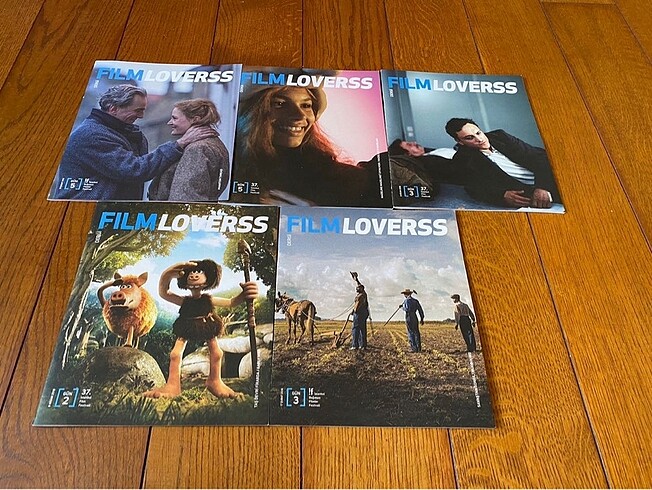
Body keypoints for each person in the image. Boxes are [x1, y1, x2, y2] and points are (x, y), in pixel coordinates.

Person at [51, 84, 214, 200]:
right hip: (84, 212)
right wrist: (179, 144)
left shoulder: (123, 131)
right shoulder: (91, 135)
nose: (141, 116)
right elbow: (134, 170)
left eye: (143, 110)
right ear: (113, 108)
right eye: (137, 110)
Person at [232, 82, 383, 206]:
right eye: (280, 104)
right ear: (252, 112)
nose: (299, 116)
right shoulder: (227, 169)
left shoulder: (337, 176)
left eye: (306, 105)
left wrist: (315, 217)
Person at [143, 259, 258, 399]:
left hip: (207, 324)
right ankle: (173, 385)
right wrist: (167, 276)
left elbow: (231, 302)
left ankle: (215, 381)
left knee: (216, 352)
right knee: (176, 353)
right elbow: (164, 293)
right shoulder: (185, 301)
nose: (194, 275)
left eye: (199, 272)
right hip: (187, 326)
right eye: (191, 272)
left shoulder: (208, 300)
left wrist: (245, 294)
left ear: (209, 276)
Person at [444, 118, 561, 208]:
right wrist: (502, 195)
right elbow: (474, 188)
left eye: (478, 133)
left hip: (551, 175)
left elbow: (539, 157)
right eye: (470, 138)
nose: (479, 139)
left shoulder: (500, 136)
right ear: (460, 141)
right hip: (528, 193)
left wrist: (542, 186)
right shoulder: (462, 159)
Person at [148, 99, 230, 201]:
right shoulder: (213, 144)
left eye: (174, 118)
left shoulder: (198, 149)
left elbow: (186, 197)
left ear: (195, 119)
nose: (169, 122)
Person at [350, 276, 369, 350]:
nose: (356, 288)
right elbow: (360, 285)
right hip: (364, 314)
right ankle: (363, 345)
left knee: (355, 329)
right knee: (363, 329)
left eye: (358, 288)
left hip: (358, 314)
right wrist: (356, 280)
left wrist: (353, 311)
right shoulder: (364, 294)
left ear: (361, 289)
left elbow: (356, 307)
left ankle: (355, 345)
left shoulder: (359, 296)